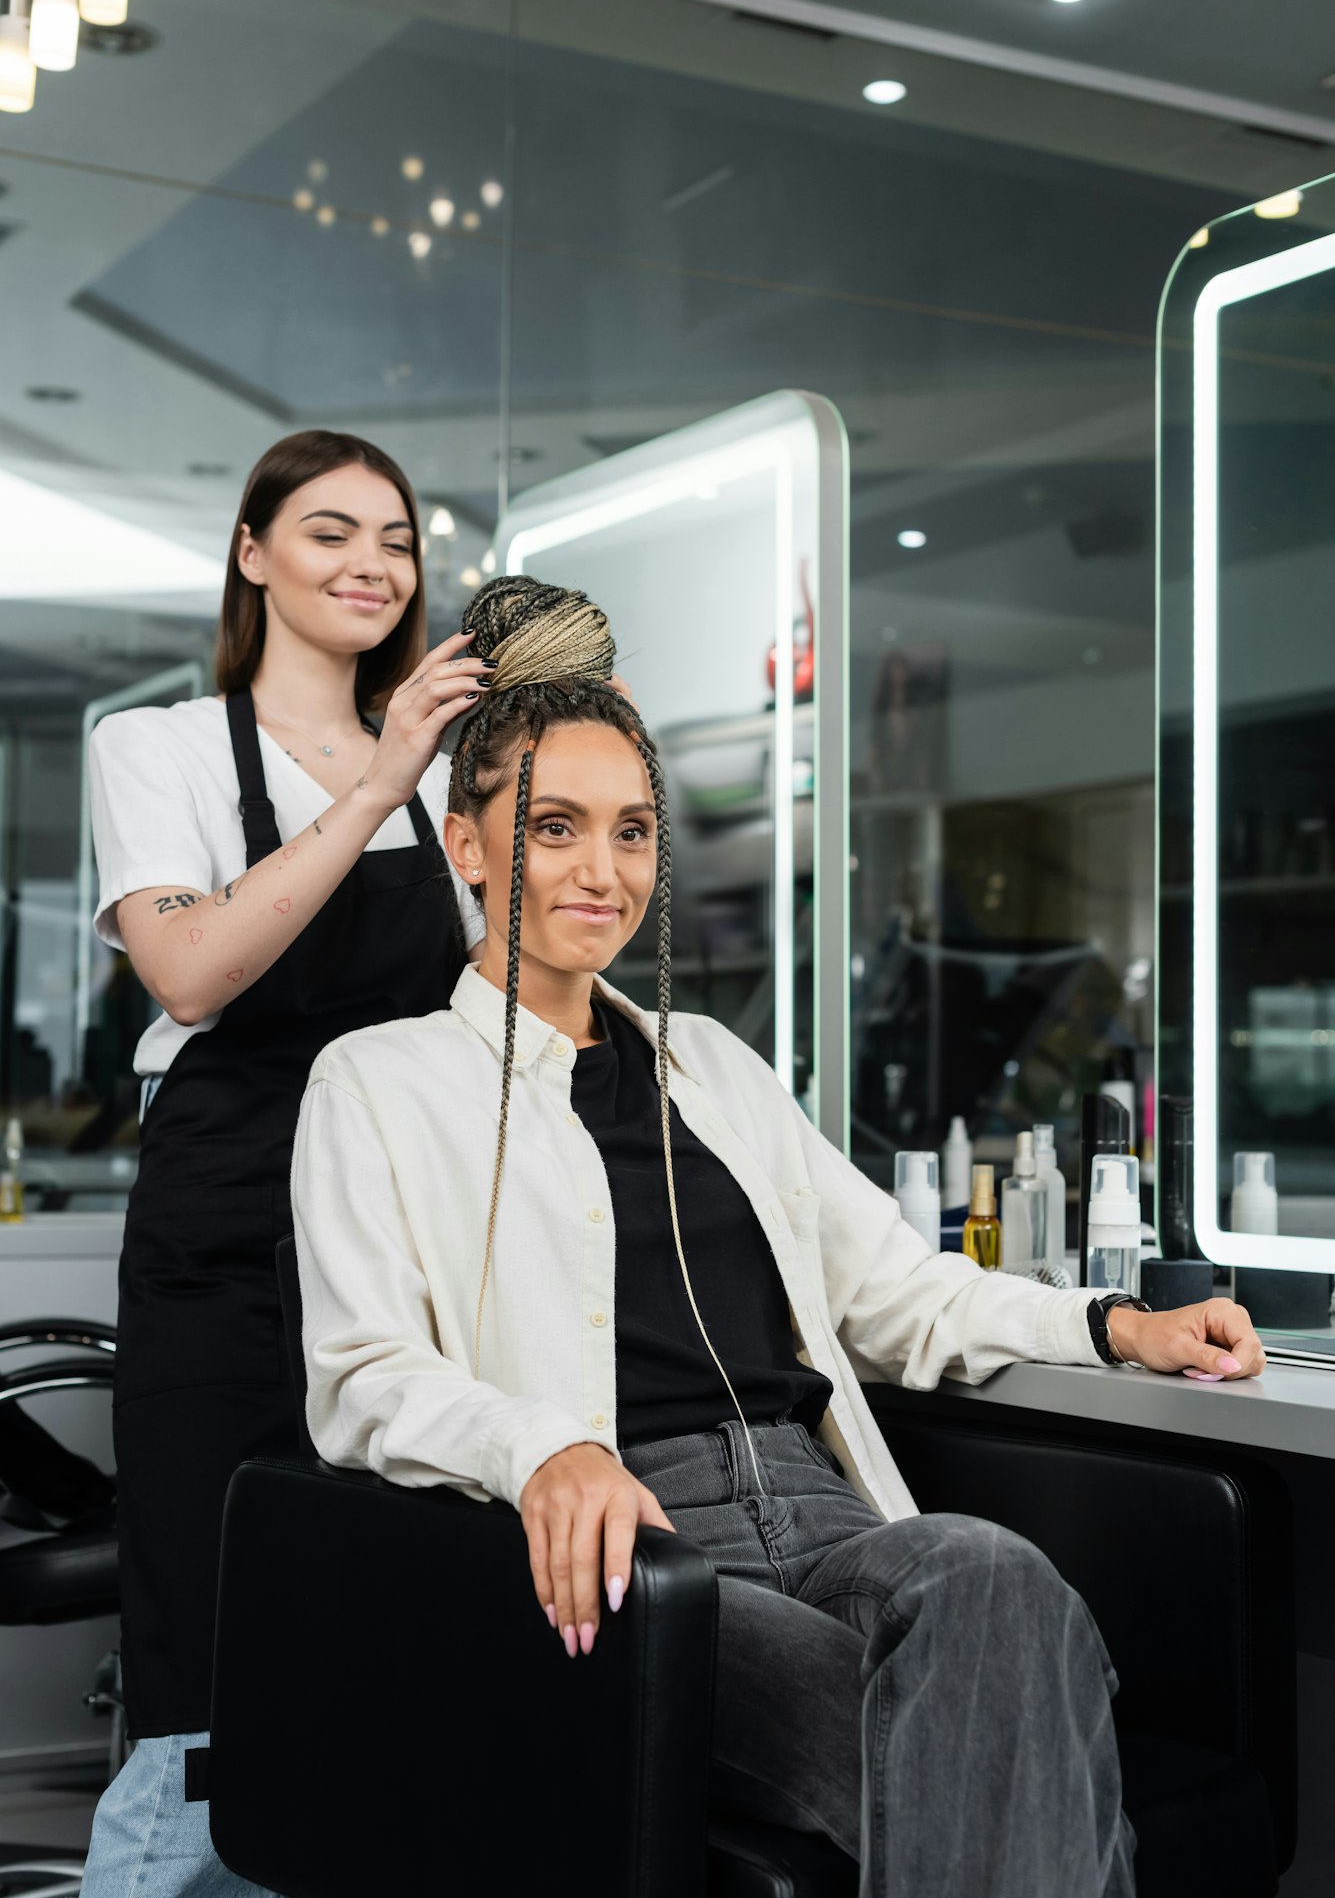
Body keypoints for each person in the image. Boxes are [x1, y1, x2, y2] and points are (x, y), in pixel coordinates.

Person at [291, 576, 1266, 1898]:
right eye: (555, 827)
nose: (603, 870)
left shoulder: (715, 1065)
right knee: (987, 1729)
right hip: (637, 1540)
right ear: (468, 845)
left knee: (997, 1579)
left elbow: (898, 1289)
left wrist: (1108, 1324)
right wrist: (544, 1449)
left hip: (822, 1505)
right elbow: (361, 1378)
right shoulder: (380, 1082)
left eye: (633, 832)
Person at [81, 430, 495, 1896]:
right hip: (230, 1239)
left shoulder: (451, 775)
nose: (372, 564)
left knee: (386, 1637)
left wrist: (567, 779)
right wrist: (381, 782)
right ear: (252, 553)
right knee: (207, 1661)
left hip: (406, 1242)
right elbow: (190, 970)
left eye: (395, 540)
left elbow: (502, 998)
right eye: (330, 532)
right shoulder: (164, 748)